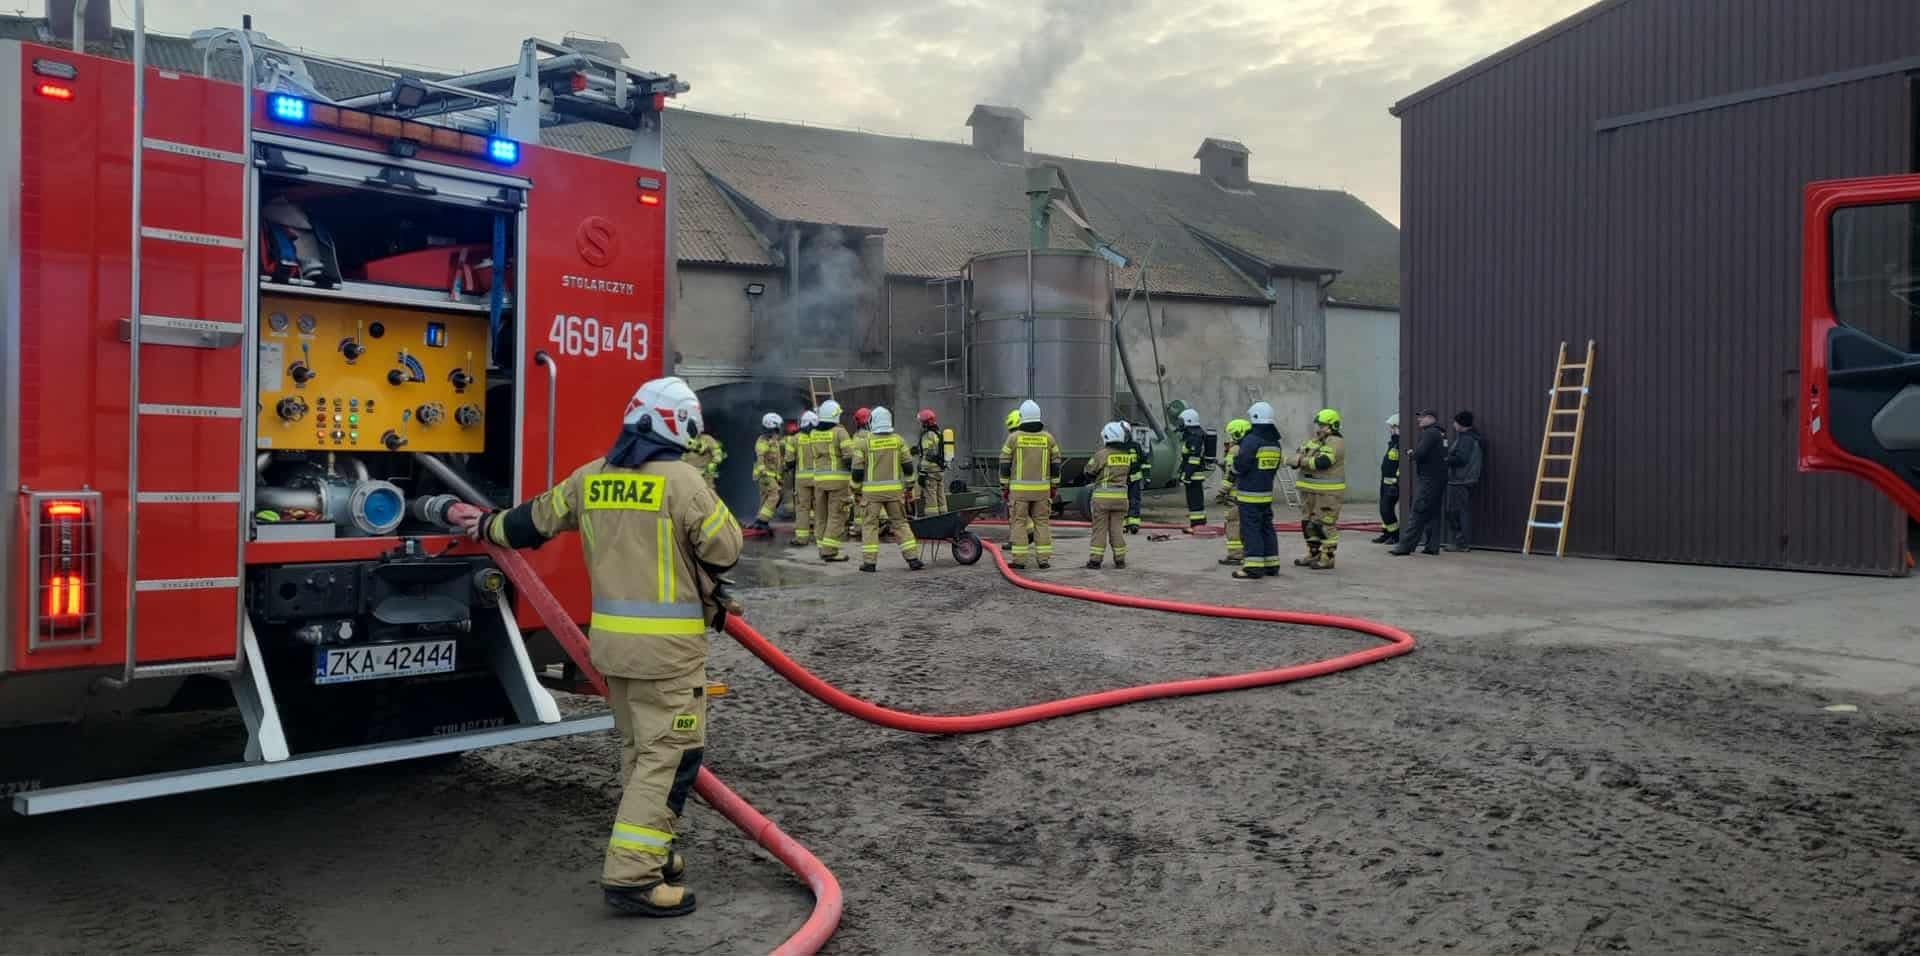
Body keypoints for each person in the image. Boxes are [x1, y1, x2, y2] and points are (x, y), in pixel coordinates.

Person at [450, 375, 743, 919]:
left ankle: (653, 850)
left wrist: (482, 524)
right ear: (680, 428)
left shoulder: (592, 478)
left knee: (640, 753)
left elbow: (526, 524)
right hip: (669, 658)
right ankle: (632, 877)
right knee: (670, 757)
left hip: (611, 651)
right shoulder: (684, 482)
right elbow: (725, 549)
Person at [846, 407, 925, 572]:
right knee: (900, 524)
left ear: (872, 422)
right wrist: (909, 486)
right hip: (895, 493)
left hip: (871, 495)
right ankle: (913, 559)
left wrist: (855, 490)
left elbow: (857, 472)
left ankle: (869, 563)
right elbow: (908, 467)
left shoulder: (863, 443)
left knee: (870, 526)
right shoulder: (898, 441)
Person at [1000, 399, 1061, 570]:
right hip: (1042, 491)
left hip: (1019, 492)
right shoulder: (1049, 439)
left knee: (1019, 523)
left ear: (1022, 417)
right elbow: (1056, 465)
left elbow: (1004, 465)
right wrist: (1054, 486)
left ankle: (1019, 561)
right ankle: (1043, 560)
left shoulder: (1013, 438)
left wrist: (1004, 487)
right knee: (1042, 523)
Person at [1290, 408, 1347, 571]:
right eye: (1319, 425)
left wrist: (1301, 460)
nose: (1319, 428)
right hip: (1310, 491)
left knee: (1324, 524)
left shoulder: (1335, 441)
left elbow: (1323, 462)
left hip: (1328, 493)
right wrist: (1300, 457)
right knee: (1308, 524)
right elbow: (1301, 452)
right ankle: (1313, 553)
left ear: (1333, 426)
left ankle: (1327, 557)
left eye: (1323, 425)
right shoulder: (1317, 440)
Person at [1230, 402, 1283, 579]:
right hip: (1265, 493)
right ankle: (1271, 564)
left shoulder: (1251, 440)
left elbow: (1241, 465)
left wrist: (1233, 465)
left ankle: (1252, 567)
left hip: (1248, 494)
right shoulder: (1275, 442)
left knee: (1250, 529)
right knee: (1266, 527)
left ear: (1255, 417)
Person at [1391, 410, 1449, 556]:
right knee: (1433, 513)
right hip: (1439, 479)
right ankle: (1432, 546)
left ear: (1430, 419)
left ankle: (1405, 547)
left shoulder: (1430, 433)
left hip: (1429, 479)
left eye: (1421, 418)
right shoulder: (1441, 433)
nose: (1419, 420)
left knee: (1418, 510)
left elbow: (1420, 453)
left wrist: (1411, 454)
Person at [1085, 421, 1135, 569]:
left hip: (1102, 499)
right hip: (1121, 499)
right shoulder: (1126, 456)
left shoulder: (1102, 454)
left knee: (1099, 529)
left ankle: (1095, 560)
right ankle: (1120, 559)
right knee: (1117, 530)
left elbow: (1088, 471)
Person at [811, 400, 854, 562]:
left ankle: (822, 547)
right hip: (838, 481)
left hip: (819, 480)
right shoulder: (840, 432)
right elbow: (849, 456)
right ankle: (829, 551)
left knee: (821, 515)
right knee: (837, 515)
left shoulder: (814, 433)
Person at [1445, 410, 1485, 552]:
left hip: (1460, 481)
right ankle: (1461, 542)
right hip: (1463, 480)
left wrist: (1445, 459)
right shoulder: (1470, 437)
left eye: (1455, 422)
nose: (1453, 424)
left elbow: (1461, 459)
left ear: (1461, 424)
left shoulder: (1466, 439)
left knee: (1455, 512)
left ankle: (1461, 544)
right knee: (1459, 511)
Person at [1218, 418, 1251, 565]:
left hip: (1235, 495)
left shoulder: (1235, 450)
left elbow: (1230, 474)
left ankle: (1235, 555)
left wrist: (1221, 491)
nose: (1230, 438)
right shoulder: (1252, 447)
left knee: (1233, 523)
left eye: (1232, 434)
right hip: (1250, 493)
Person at [1177, 407, 1211, 529]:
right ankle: (1198, 524)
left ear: (1189, 421)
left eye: (1182, 421)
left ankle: (1197, 526)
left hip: (1194, 475)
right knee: (1195, 501)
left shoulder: (1194, 437)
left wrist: (1186, 475)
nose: (1180, 424)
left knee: (1195, 501)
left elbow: (1193, 459)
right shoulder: (1194, 435)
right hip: (1193, 474)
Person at [750, 413, 784, 532]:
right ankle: (762, 520)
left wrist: (778, 477)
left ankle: (759, 521)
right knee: (774, 496)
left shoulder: (773, 440)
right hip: (765, 475)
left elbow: (776, 461)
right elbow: (760, 458)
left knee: (765, 498)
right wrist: (763, 471)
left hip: (770, 475)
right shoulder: (762, 441)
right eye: (777, 427)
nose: (779, 429)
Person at [788, 411, 818, 548]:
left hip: (801, 480)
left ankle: (801, 538)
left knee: (802, 508)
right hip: (818, 479)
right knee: (820, 508)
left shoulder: (794, 439)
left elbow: (789, 462)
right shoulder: (820, 437)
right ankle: (820, 537)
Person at [1372, 414, 1403, 545]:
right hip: (1385, 482)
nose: (1390, 430)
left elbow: (1402, 465)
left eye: (1392, 427)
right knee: (1383, 508)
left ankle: (1395, 535)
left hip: (1393, 484)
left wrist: (1396, 481)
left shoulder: (1402, 443)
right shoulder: (1394, 442)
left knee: (1386, 509)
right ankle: (1387, 533)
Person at [913, 408, 948, 516]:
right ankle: (944, 515)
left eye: (922, 422)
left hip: (930, 471)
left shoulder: (927, 435)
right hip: (939, 470)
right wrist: (917, 450)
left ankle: (933, 518)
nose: (921, 424)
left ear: (926, 422)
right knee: (940, 494)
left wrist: (923, 472)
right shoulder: (938, 433)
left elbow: (927, 453)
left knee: (930, 495)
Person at [1121, 420, 1146, 534]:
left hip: (1135, 479)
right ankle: (1123, 524)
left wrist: (1147, 476)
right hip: (1121, 479)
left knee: (1134, 501)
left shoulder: (1135, 446)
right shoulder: (1117, 447)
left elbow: (1144, 461)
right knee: (1121, 502)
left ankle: (1134, 524)